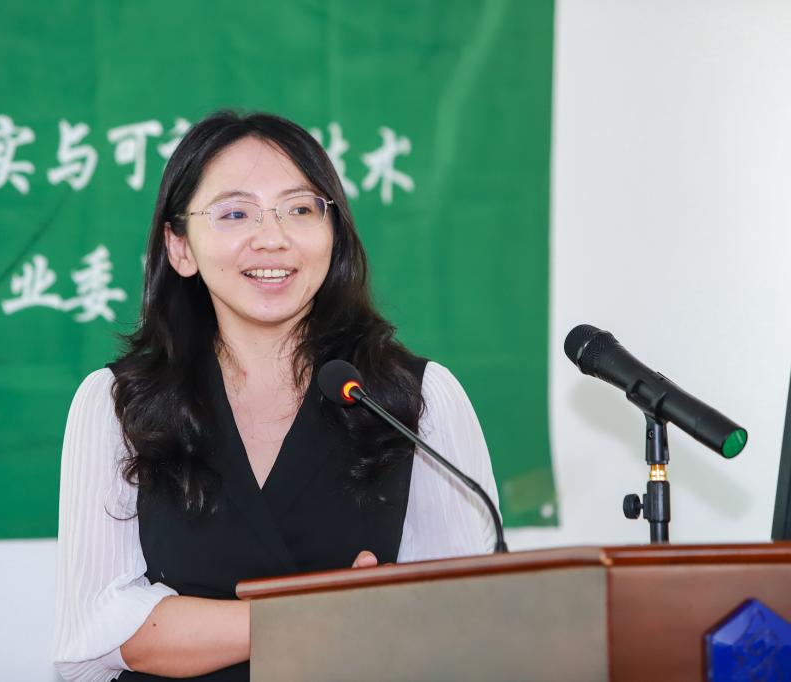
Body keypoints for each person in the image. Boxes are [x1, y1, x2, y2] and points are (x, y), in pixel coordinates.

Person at [52, 111, 500, 681]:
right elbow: (99, 631)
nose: (272, 238)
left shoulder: (413, 399)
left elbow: (471, 619)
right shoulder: (120, 403)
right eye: (235, 213)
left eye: (300, 209)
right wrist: (316, 616)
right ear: (180, 247)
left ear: (333, 233)